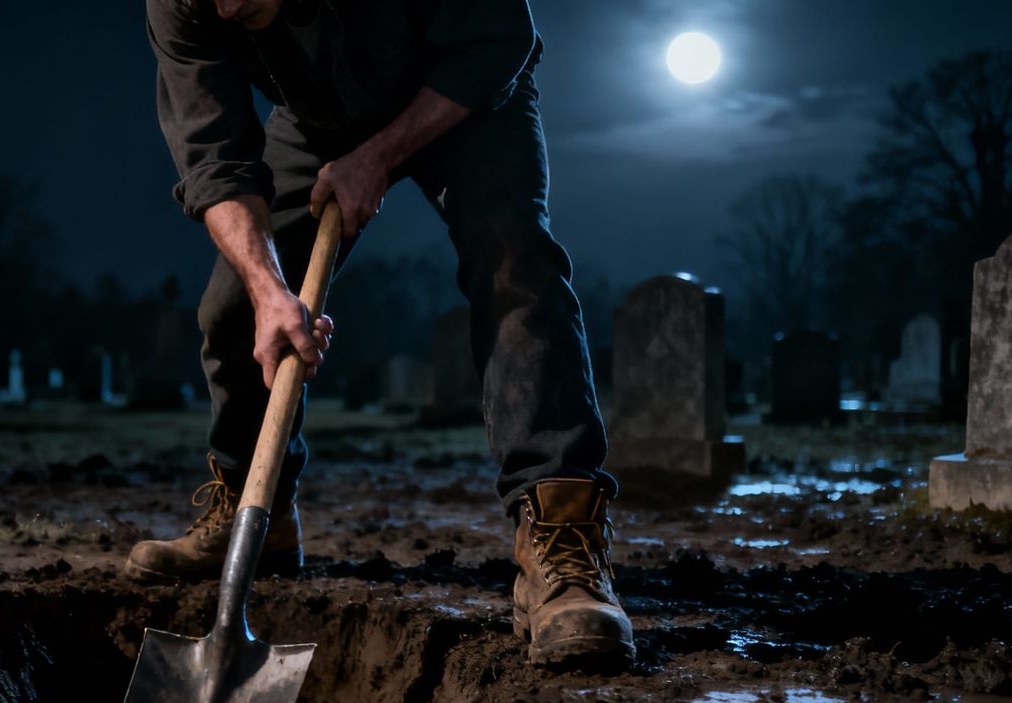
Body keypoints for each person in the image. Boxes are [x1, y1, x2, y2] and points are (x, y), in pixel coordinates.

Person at [127, 0, 634, 667]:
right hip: (317, 124)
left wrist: (379, 154)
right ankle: (257, 516)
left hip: (465, 98)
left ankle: (561, 545)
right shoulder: (182, 4)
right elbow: (213, 160)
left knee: (516, 269)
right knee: (232, 306)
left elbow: (500, 36)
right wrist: (268, 291)